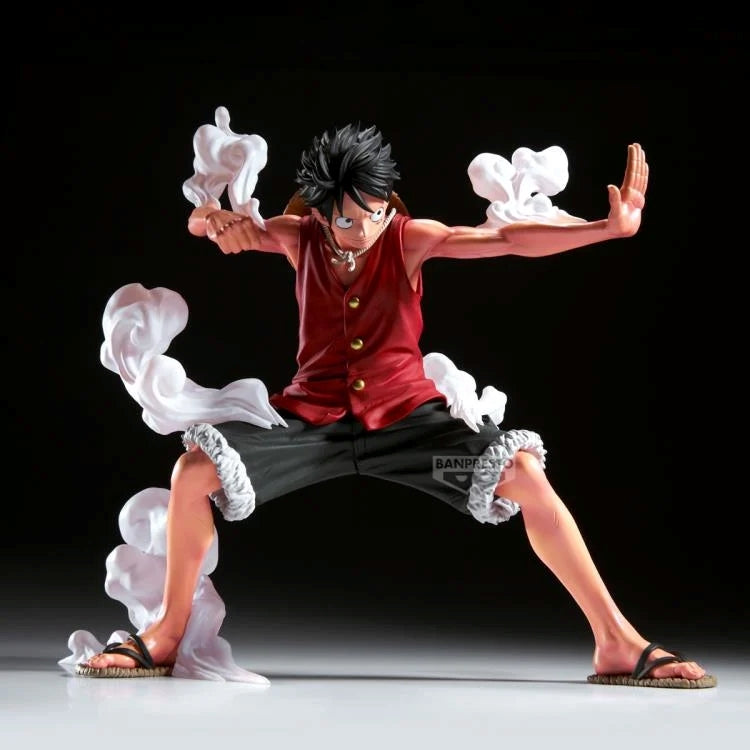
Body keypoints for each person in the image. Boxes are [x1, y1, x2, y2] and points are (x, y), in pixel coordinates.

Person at [77, 123, 715, 688]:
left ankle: (615, 641)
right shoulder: (298, 238)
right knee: (194, 472)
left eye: (375, 213)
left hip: (413, 438)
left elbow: (507, 239)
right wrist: (219, 222)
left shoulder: (411, 240)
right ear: (320, 212)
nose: (362, 230)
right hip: (311, 433)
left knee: (522, 473)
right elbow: (200, 221)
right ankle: (166, 635)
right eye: (346, 219)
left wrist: (605, 229)